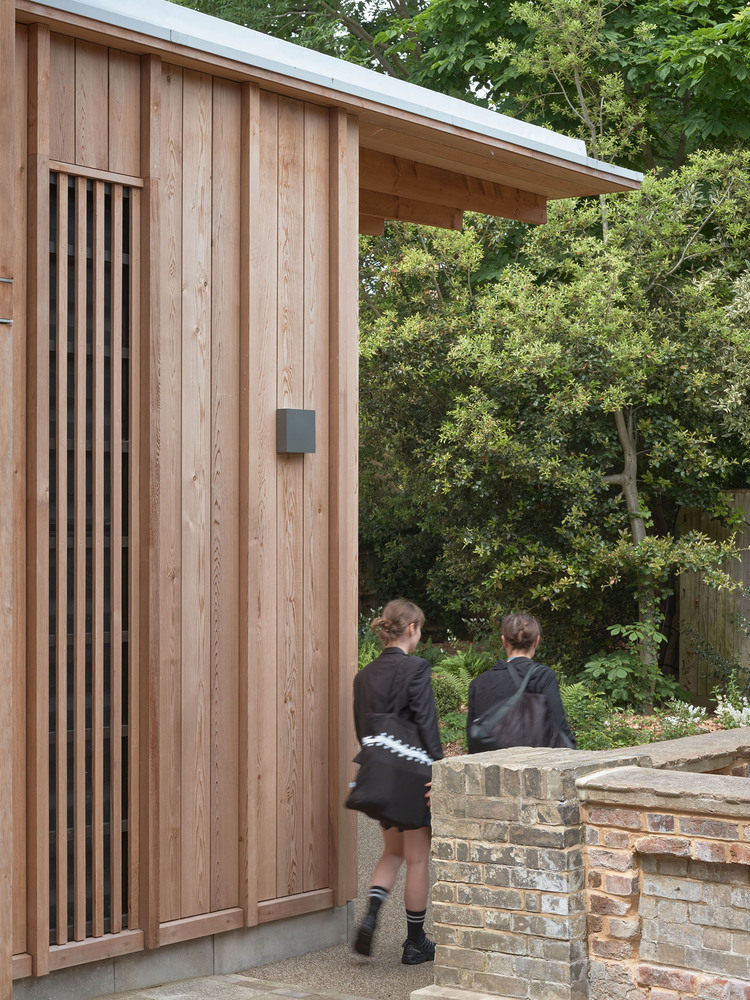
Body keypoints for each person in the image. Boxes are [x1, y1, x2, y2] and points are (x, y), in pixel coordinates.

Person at [352, 598, 443, 965]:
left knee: (392, 851)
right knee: (417, 859)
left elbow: (363, 730)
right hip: (415, 775)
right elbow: (426, 722)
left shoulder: (364, 675)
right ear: (412, 629)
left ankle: (372, 914)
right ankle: (414, 942)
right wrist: (439, 771)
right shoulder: (417, 668)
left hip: (380, 773)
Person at [466, 612, 575, 754]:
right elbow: (559, 728)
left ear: (504, 640)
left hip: (491, 767)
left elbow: (472, 739)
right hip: (534, 767)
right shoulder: (543, 676)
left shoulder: (478, 683)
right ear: (536, 641)